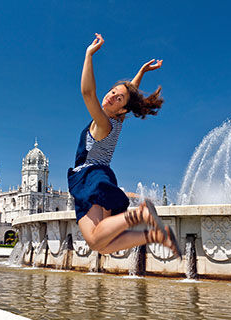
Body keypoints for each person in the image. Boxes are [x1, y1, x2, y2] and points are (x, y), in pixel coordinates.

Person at [68, 33, 180, 256]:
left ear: (121, 109)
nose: (111, 96)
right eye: (112, 92)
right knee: (100, 244)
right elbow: (129, 94)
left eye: (117, 98)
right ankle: (155, 235)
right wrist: (141, 72)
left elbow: (88, 93)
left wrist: (89, 54)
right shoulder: (117, 119)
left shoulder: (103, 122)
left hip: (91, 178)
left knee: (96, 238)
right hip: (100, 177)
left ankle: (139, 215)